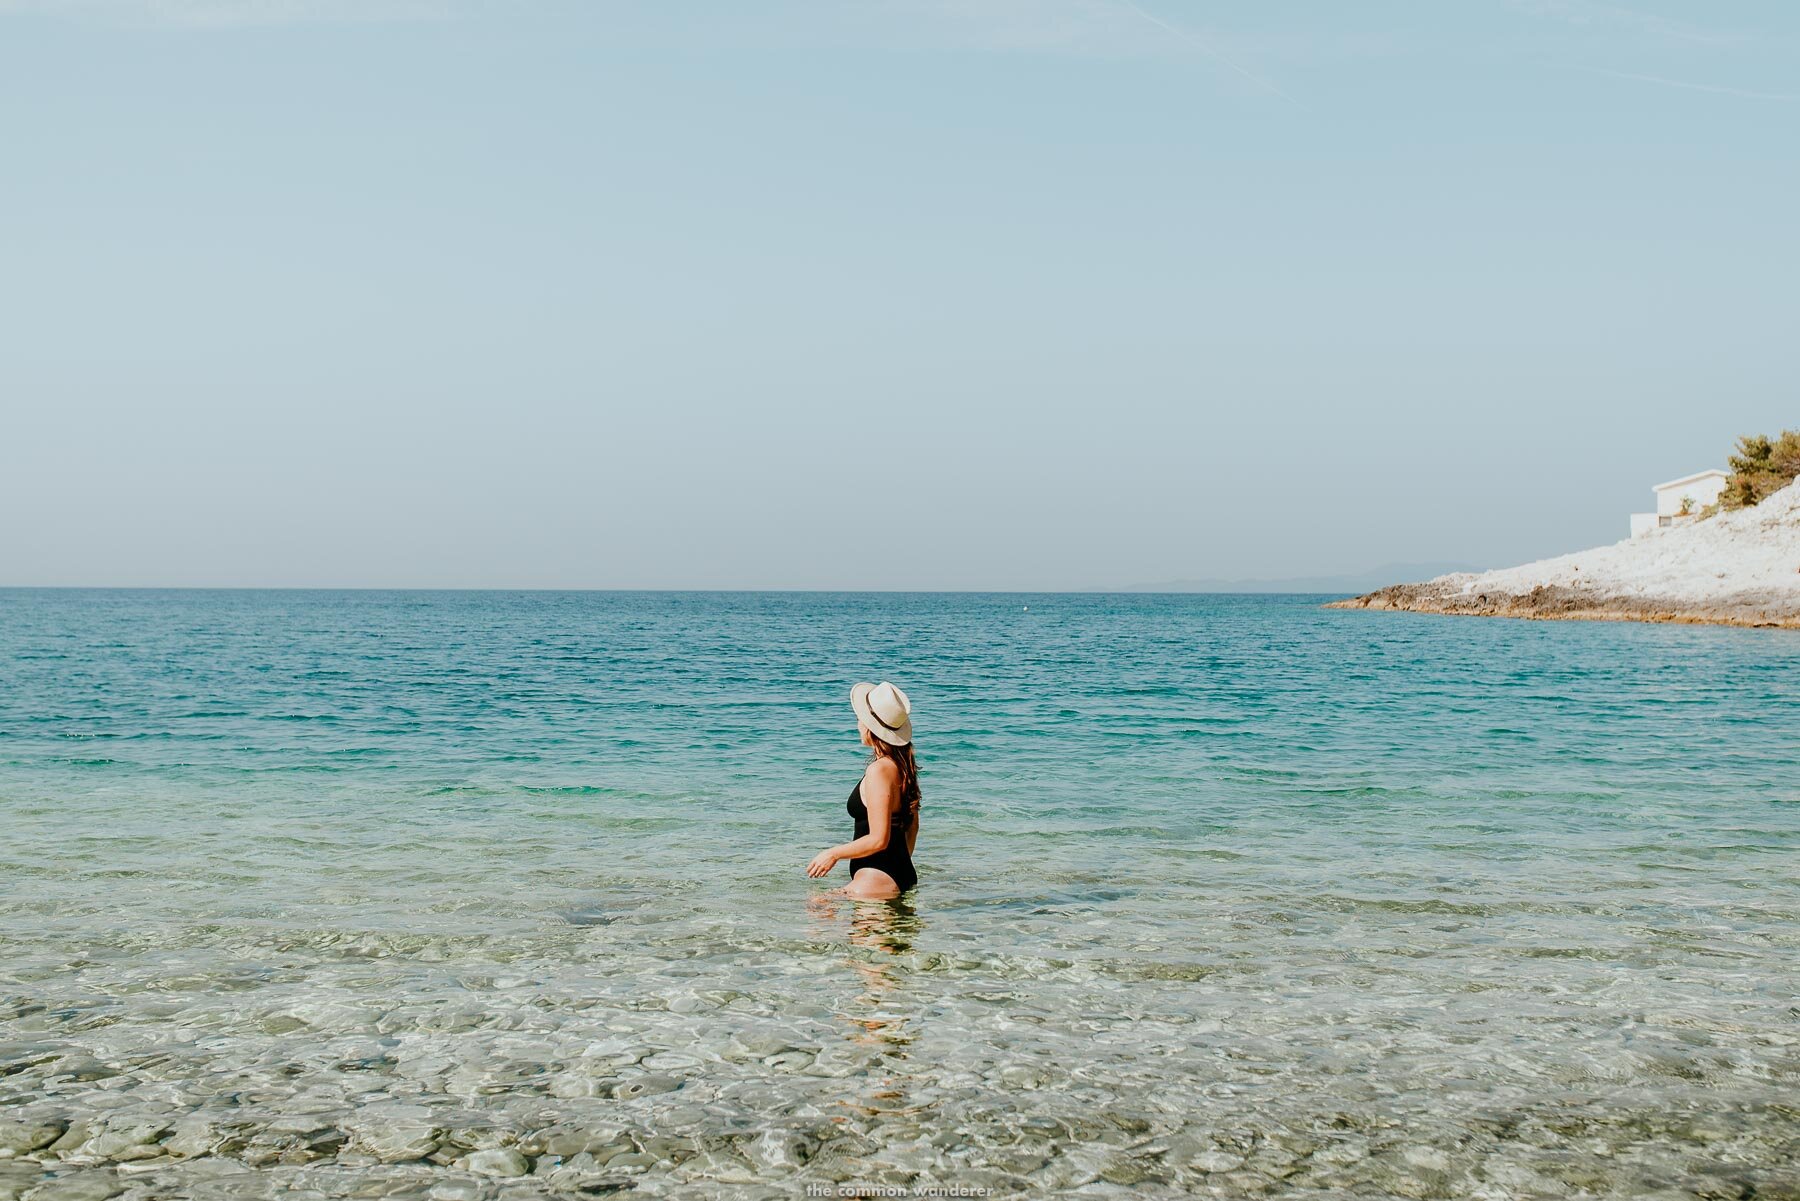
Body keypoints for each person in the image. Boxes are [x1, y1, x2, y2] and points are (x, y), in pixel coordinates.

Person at [806, 681, 921, 899]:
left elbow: (879, 839)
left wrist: (833, 854)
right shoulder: (903, 767)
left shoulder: (879, 770)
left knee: (816, 910)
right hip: (899, 874)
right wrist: (898, 868)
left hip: (876, 878)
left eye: (861, 718)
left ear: (870, 727)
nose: (858, 724)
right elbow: (912, 826)